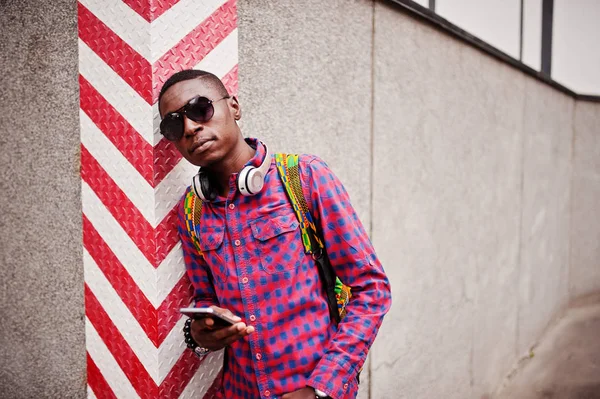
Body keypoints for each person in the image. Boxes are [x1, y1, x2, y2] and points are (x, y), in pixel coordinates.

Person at [158, 69, 392, 399]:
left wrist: (321, 388)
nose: (191, 127)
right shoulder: (191, 211)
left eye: (201, 108)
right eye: (173, 124)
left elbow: (372, 289)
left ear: (234, 107)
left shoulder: (305, 177)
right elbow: (207, 301)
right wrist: (199, 334)